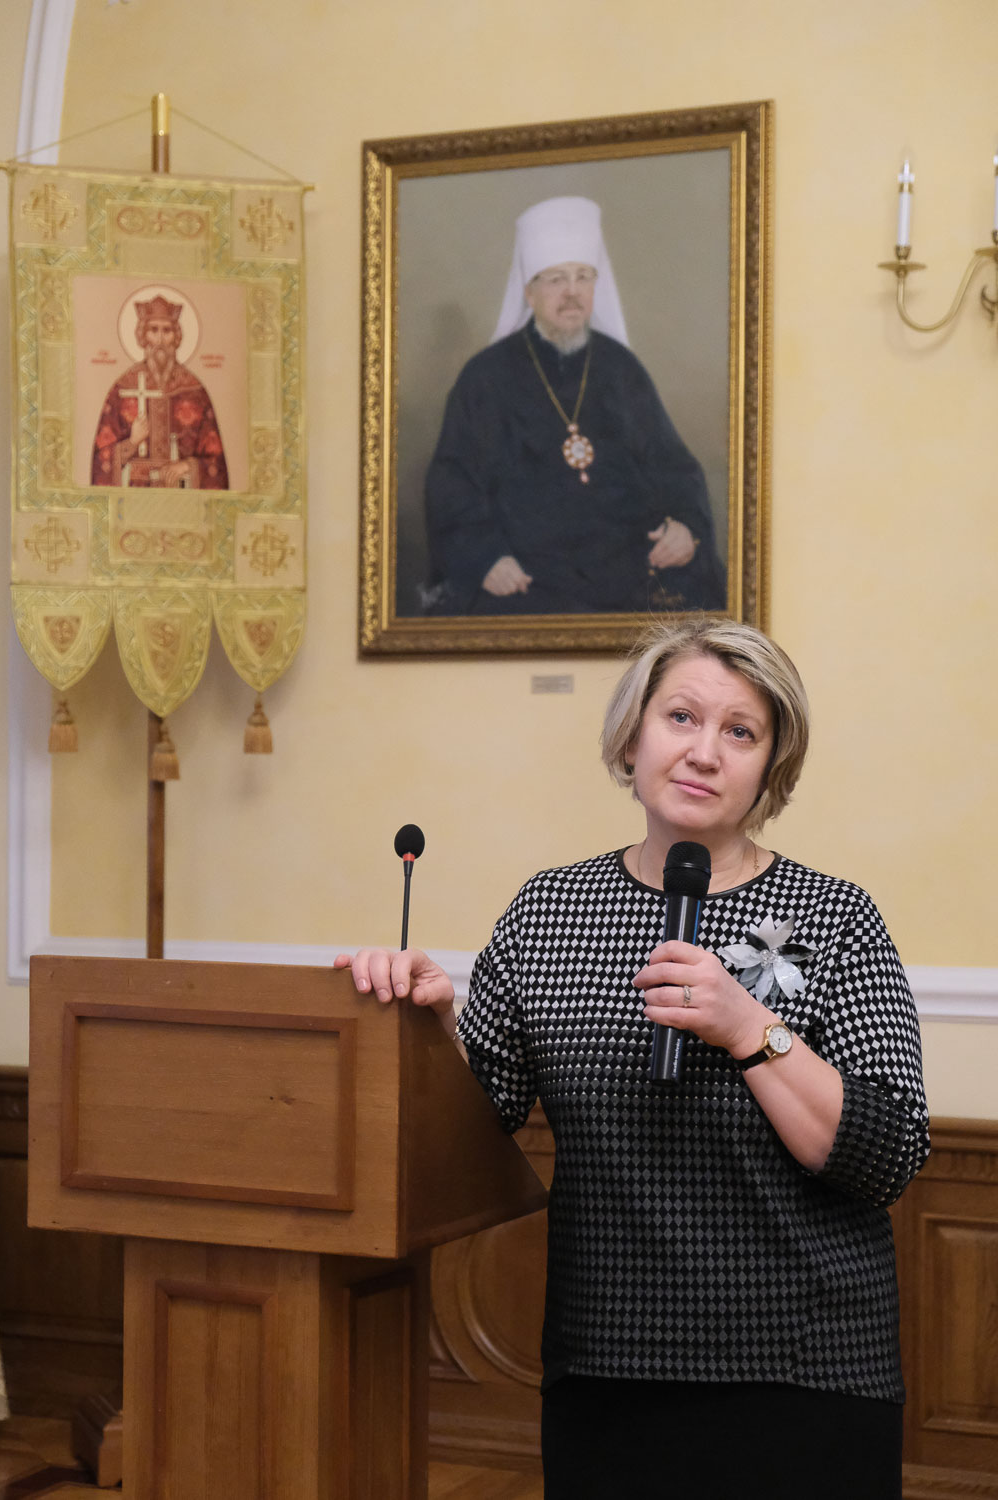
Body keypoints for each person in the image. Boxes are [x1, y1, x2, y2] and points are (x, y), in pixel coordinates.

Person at [336, 618, 929, 1499]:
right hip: (607, 1366)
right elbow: (470, 1135)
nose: (704, 752)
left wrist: (750, 1029)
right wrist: (434, 1024)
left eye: (741, 732)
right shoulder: (549, 913)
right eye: (680, 717)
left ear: (772, 766)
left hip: (806, 1369)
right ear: (631, 737)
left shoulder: (835, 917)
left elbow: (887, 1156)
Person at [422, 196, 726, 616]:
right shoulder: (485, 378)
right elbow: (452, 484)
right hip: (529, 581)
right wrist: (485, 557)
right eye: (556, 279)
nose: (572, 292)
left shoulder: (622, 369)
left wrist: (685, 527)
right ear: (529, 292)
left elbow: (673, 466)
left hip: (629, 573)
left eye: (583, 277)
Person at [91, 293, 229, 489]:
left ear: (176, 336)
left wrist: (187, 466)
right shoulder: (123, 387)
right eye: (153, 330)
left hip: (181, 493)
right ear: (143, 336)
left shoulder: (194, 389)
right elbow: (101, 459)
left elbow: (215, 460)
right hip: (136, 493)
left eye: (167, 331)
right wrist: (132, 442)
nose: (161, 339)